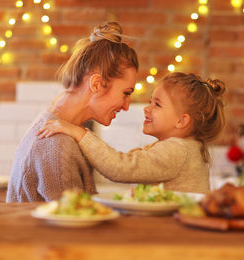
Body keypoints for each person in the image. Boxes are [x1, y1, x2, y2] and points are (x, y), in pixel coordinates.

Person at [6, 21, 139, 202]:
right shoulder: (57, 147)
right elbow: (72, 224)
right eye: (126, 93)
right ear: (96, 84)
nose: (126, 106)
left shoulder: (60, 129)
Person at [37, 72, 226, 194]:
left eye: (157, 104)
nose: (147, 108)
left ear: (182, 121)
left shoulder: (177, 150)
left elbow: (120, 168)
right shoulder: (185, 147)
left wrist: (80, 134)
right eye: (151, 101)